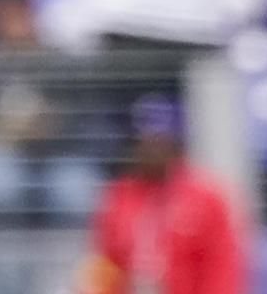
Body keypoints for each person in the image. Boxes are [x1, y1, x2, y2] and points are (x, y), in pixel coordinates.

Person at [79, 96, 246, 294]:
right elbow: (106, 262)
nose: (148, 149)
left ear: (175, 143)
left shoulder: (206, 198)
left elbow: (222, 268)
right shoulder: (119, 195)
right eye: (142, 141)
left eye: (158, 141)